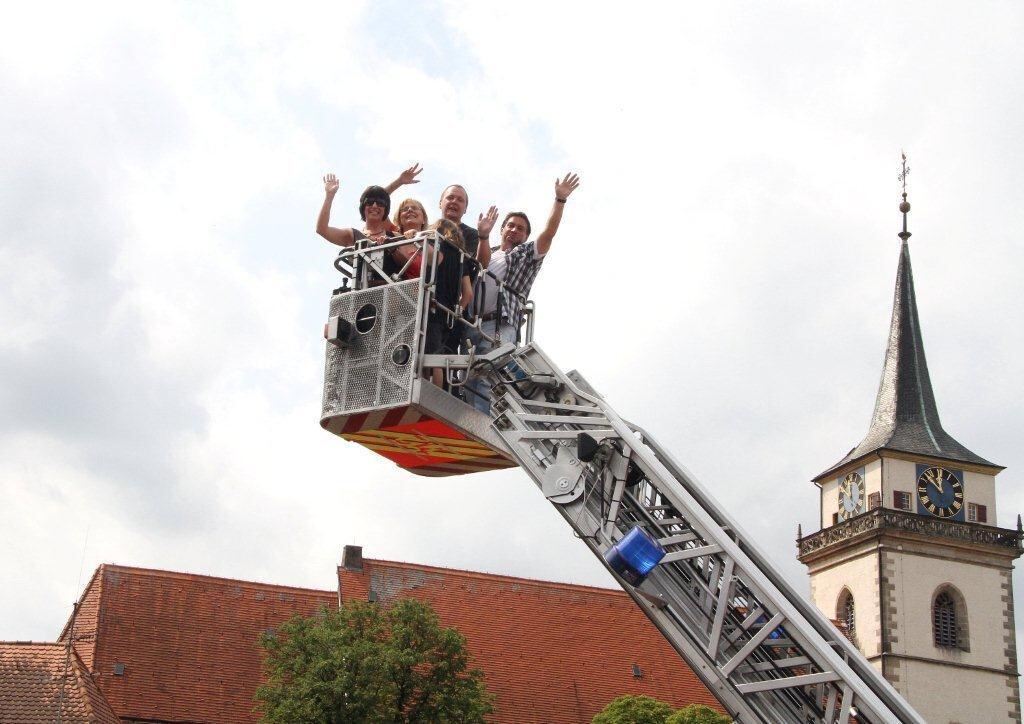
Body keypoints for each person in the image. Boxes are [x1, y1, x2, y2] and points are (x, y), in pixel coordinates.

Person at [466, 172, 581, 413]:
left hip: (499, 325)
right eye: (510, 225)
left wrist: (560, 200)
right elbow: (479, 265)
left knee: (489, 381)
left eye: (520, 228)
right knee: (469, 381)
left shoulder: (526, 255)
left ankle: (486, 428)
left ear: (526, 236)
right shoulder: (491, 250)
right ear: (502, 229)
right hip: (471, 322)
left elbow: (548, 233)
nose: (513, 230)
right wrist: (483, 236)